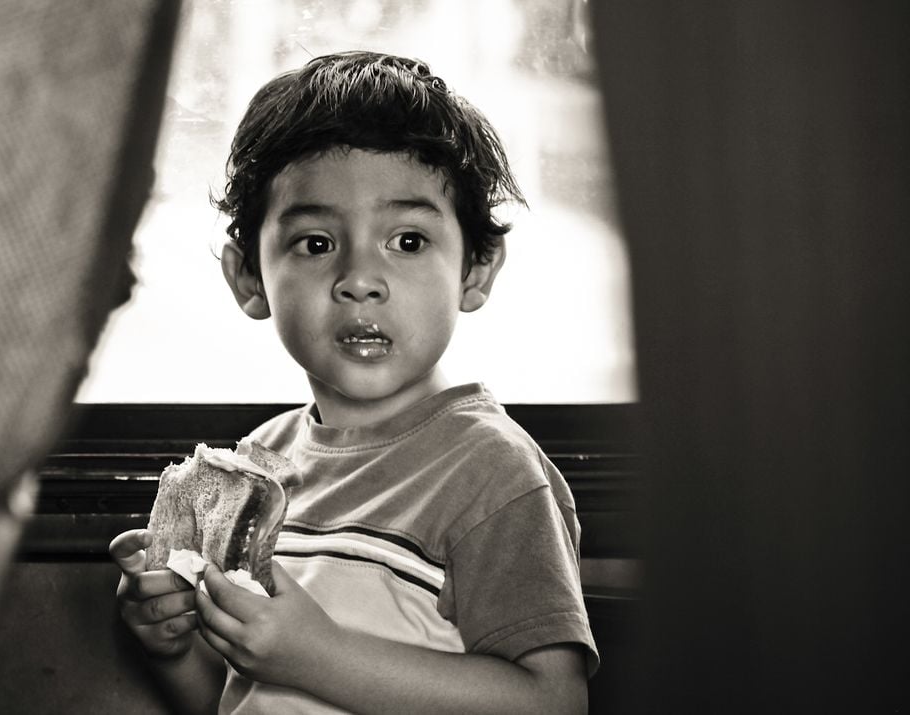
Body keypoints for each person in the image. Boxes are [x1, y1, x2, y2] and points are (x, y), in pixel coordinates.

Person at [109, 51, 599, 714]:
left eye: (408, 241)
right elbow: (244, 695)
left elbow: (553, 702)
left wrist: (318, 654)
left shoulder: (494, 475)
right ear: (248, 277)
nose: (360, 276)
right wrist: (171, 648)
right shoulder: (256, 469)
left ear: (476, 270)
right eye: (315, 243)